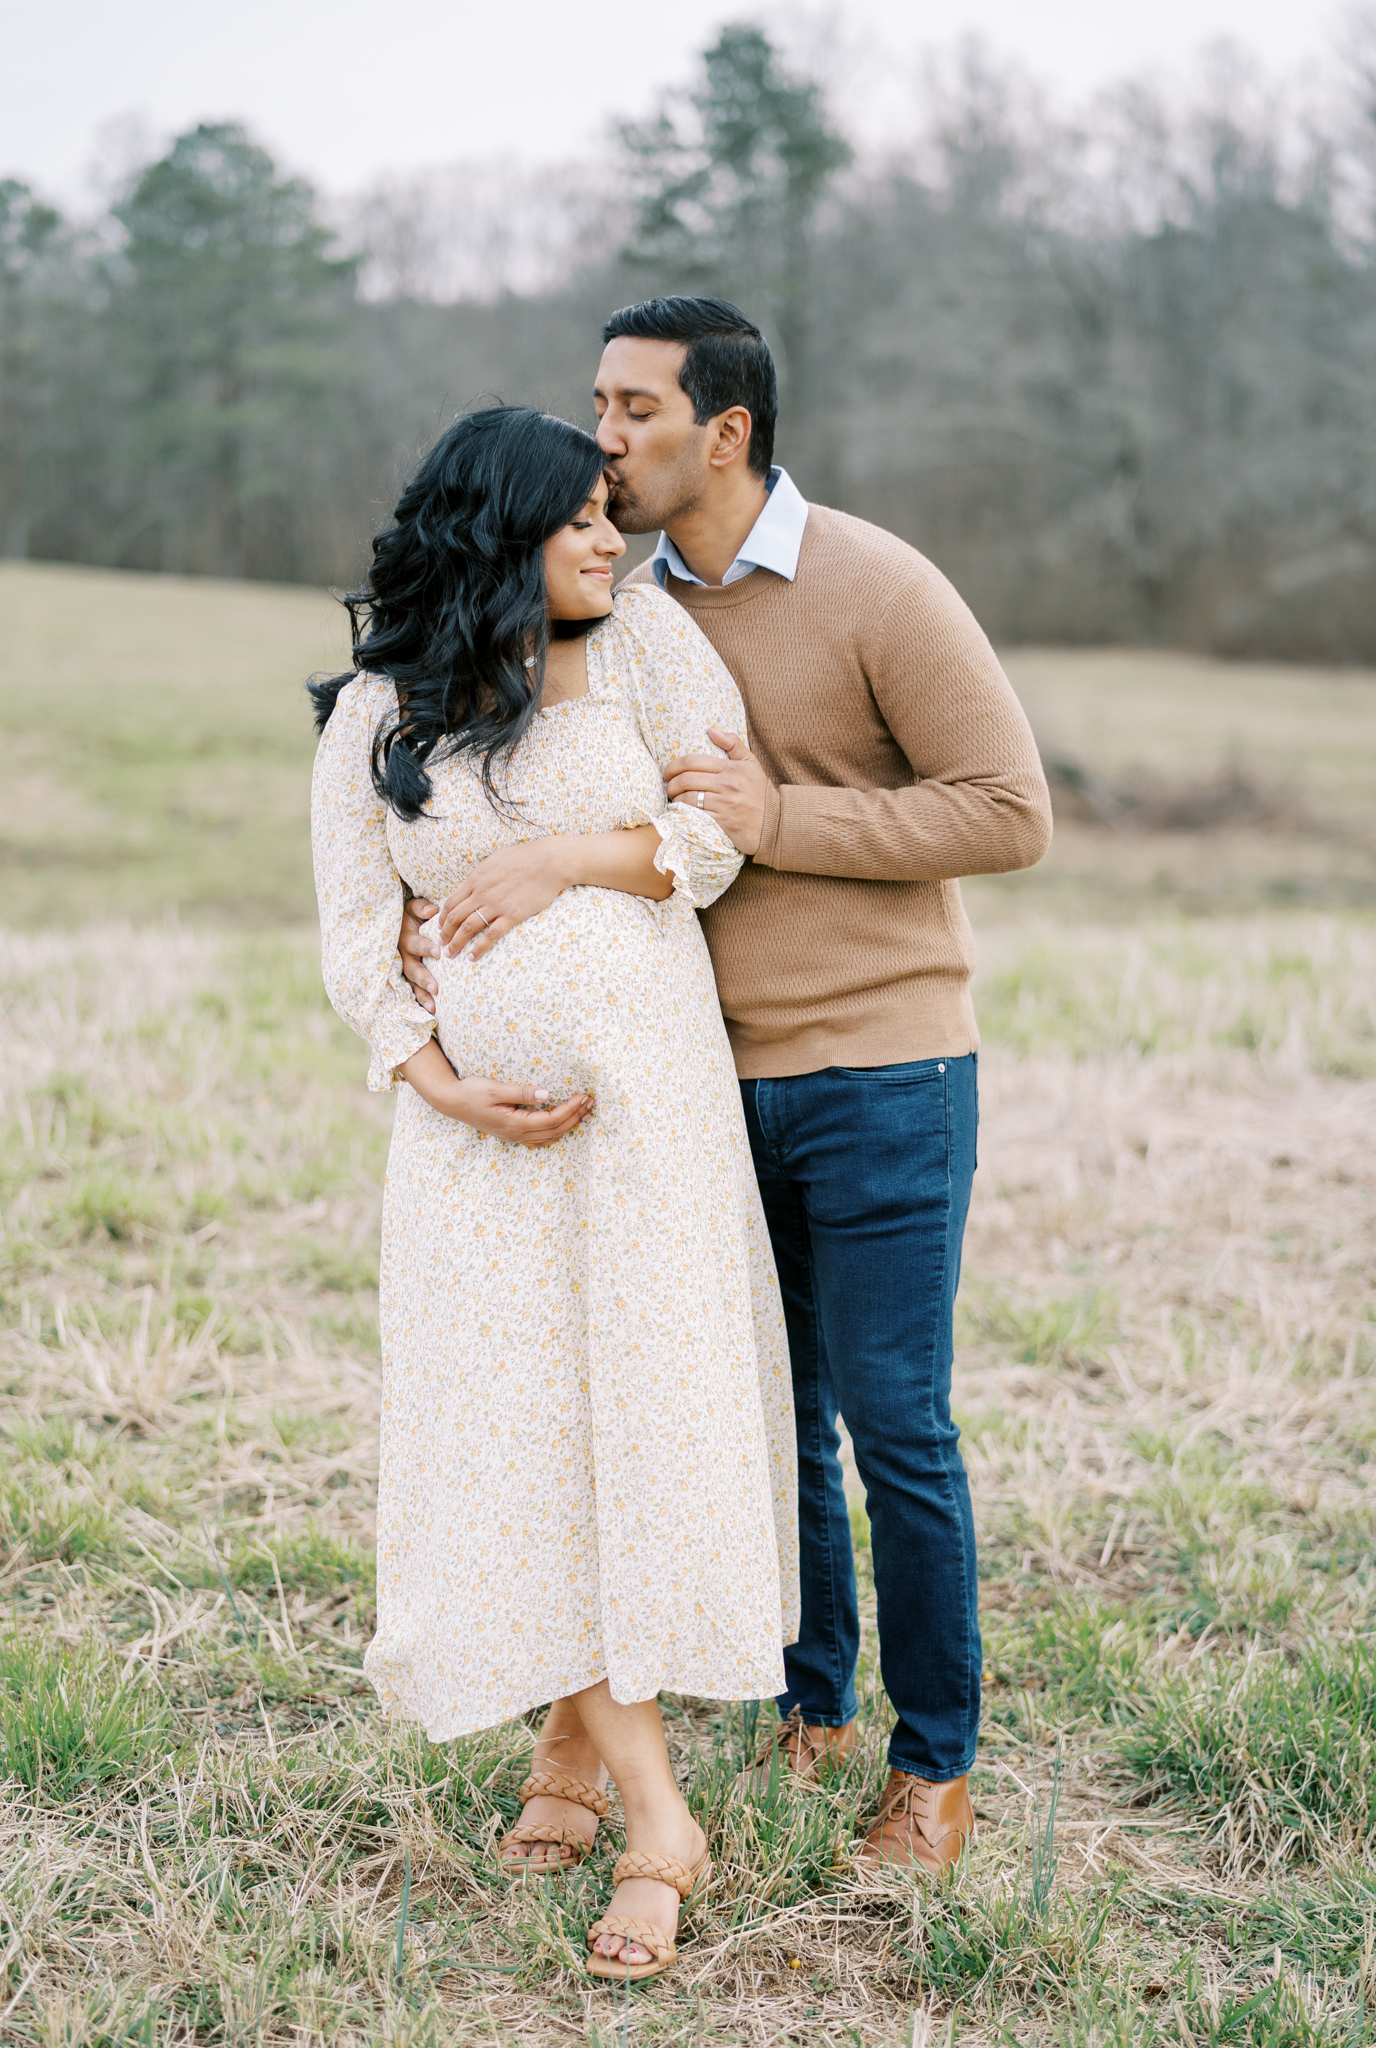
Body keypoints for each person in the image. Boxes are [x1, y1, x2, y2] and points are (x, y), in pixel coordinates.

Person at [401, 300, 1052, 1877]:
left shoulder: (873, 584)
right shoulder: (597, 605)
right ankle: (804, 1705)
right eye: (596, 408)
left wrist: (775, 817)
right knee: (771, 1416)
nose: (602, 438)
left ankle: (934, 1771)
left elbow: (1007, 811)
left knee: (895, 1424)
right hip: (689, 1097)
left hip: (879, 1065)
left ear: (726, 432)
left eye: (631, 410)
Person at [309, 404, 798, 1980]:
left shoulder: (650, 645)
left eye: (612, 512)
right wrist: (441, 1081)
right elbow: (347, 926)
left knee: (628, 1427)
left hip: (647, 1124)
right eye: (577, 517)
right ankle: (631, 1799)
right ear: (489, 532)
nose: (611, 537)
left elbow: (714, 837)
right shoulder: (380, 710)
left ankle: (592, 1773)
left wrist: (565, 861)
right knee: (519, 1437)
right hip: (473, 1154)